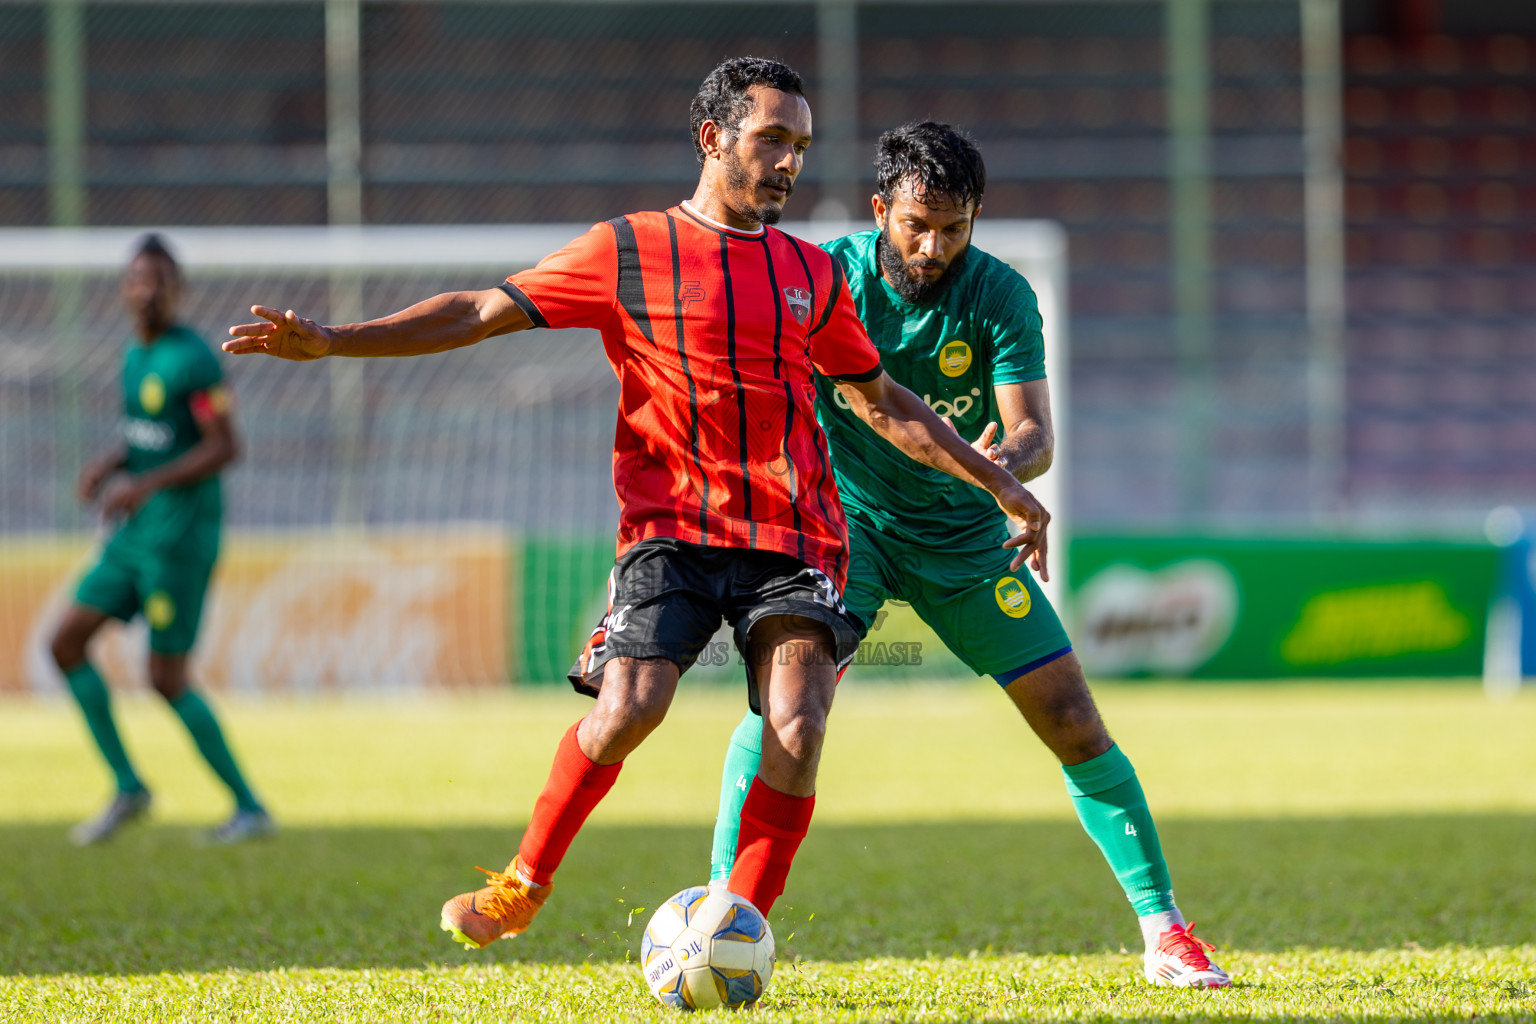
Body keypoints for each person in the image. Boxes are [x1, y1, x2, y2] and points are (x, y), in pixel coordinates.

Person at [222, 58, 1049, 949]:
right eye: (770, 139)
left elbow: (882, 398)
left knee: (800, 724)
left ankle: (734, 934)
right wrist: (336, 342)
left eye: (800, 147)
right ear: (713, 138)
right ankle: (522, 885)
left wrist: (1002, 481)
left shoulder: (811, 273)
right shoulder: (627, 250)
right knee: (630, 708)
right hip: (672, 529)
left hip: (794, 533)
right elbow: (475, 312)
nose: (787, 163)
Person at [706, 122, 1230, 988]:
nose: (935, 245)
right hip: (848, 530)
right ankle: (726, 912)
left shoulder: (1000, 294)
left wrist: (1003, 469)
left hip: (963, 540)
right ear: (881, 209)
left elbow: (1034, 435)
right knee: (787, 712)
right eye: (918, 224)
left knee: (1072, 718)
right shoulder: (826, 276)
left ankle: (1165, 931)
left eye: (956, 227)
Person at [51, 234, 274, 846]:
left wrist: (144, 483)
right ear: (125, 288)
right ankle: (128, 787)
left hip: (179, 538)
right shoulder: (133, 354)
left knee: (165, 677)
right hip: (135, 533)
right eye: (137, 278)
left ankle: (250, 807)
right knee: (66, 643)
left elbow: (224, 445)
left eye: (158, 279)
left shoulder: (193, 359)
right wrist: (112, 464)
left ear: (176, 289)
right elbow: (157, 435)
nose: (146, 289)